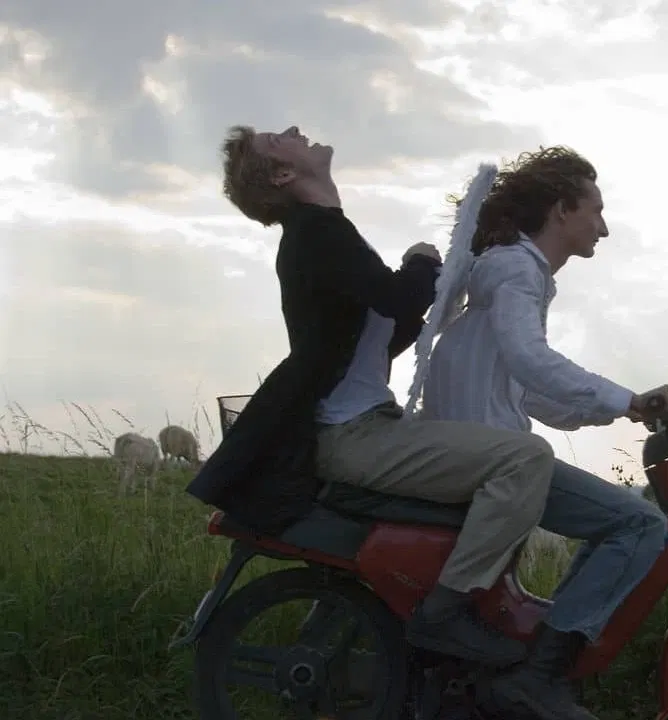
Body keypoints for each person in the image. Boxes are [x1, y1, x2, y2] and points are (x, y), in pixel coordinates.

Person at [186, 124, 555, 669]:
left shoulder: (323, 233)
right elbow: (397, 297)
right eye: (278, 139)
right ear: (283, 173)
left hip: (363, 423)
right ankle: (445, 613)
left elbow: (383, 329)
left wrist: (433, 276)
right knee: (525, 458)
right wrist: (422, 261)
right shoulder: (318, 233)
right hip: (354, 432)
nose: (294, 131)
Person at [408, 146, 668, 720]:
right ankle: (540, 676)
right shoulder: (517, 271)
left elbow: (527, 391)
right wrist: (626, 399)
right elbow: (530, 360)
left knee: (619, 521)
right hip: (493, 459)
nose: (603, 227)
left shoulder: (504, 272)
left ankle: (540, 651)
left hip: (477, 449)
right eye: (595, 210)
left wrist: (621, 409)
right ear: (561, 210)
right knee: (640, 524)